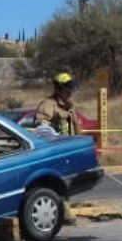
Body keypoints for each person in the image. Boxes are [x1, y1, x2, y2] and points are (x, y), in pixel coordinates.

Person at [36, 72, 79, 223]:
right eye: (67, 91)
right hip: (54, 151)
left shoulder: (70, 106)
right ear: (58, 90)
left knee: (68, 182)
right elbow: (41, 128)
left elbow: (74, 128)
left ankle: (64, 212)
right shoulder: (48, 105)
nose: (70, 94)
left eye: (71, 91)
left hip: (68, 149)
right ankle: (63, 213)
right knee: (57, 182)